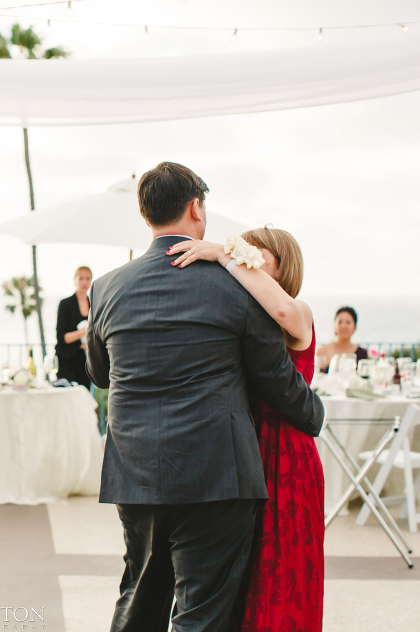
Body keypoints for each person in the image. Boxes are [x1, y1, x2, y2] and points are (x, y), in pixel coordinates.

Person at [85, 162, 324, 632]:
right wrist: (313, 412)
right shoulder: (234, 282)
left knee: (139, 597)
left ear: (145, 214)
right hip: (219, 474)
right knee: (204, 613)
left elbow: (99, 372)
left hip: (135, 469)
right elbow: (272, 375)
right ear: (196, 208)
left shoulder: (106, 287)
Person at [168, 226, 325, 631]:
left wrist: (224, 254)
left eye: (257, 252)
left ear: (283, 263)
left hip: (289, 455)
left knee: (284, 565)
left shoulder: (299, 311)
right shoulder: (245, 315)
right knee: (249, 569)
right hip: (247, 451)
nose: (247, 256)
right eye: (244, 249)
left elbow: (285, 313)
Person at [55, 266, 93, 389]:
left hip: (86, 361)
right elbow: (61, 337)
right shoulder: (66, 304)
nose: (84, 282)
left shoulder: (94, 304)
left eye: (88, 278)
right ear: (75, 280)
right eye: (81, 278)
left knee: (84, 397)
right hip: (67, 360)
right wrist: (82, 332)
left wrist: (91, 344)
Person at [315, 306, 368, 373]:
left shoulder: (361, 353)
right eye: (340, 322)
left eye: (348, 322)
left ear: (355, 326)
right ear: (334, 325)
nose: (343, 326)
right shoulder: (322, 351)